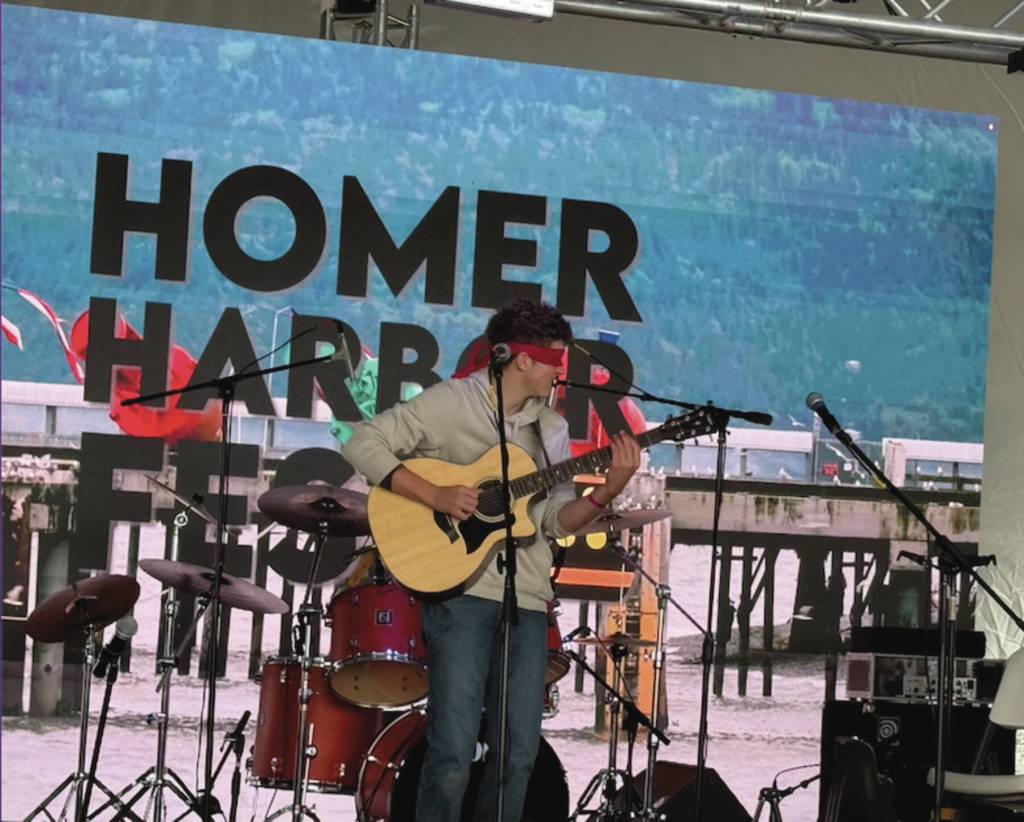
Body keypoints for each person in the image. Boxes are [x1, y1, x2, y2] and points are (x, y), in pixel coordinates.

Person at [341, 298, 641, 822]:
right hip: (460, 595)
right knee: (453, 752)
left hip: (526, 599)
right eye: (553, 359)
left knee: (518, 756)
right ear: (521, 359)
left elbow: (552, 521)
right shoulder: (453, 403)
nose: (559, 371)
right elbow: (364, 442)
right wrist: (434, 496)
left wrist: (606, 492)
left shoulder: (549, 428)